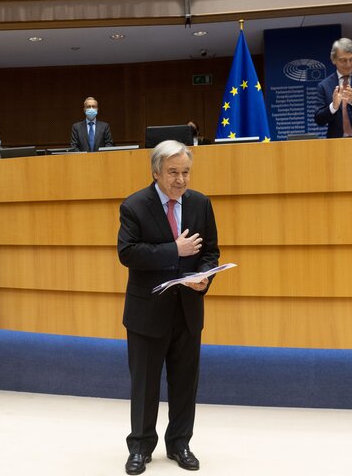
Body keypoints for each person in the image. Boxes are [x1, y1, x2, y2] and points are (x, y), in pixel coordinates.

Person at [117, 140, 220, 475]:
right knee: (144, 384)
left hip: (188, 310)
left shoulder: (200, 203)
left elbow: (210, 252)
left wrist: (204, 278)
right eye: (173, 172)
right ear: (156, 172)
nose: (181, 179)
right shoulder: (135, 205)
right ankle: (140, 447)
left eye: (186, 172)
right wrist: (174, 250)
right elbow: (128, 253)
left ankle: (180, 444)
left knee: (185, 383)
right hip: (148, 313)